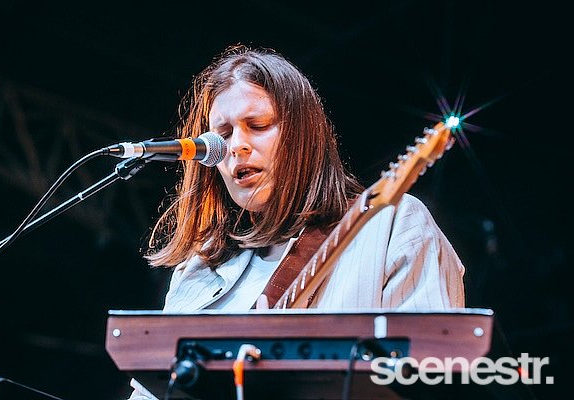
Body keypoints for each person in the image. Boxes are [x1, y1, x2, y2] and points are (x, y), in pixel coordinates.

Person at [127, 44, 465, 399]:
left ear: (302, 136)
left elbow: (430, 380)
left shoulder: (392, 225)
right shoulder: (199, 267)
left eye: (258, 125)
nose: (237, 145)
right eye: (222, 135)